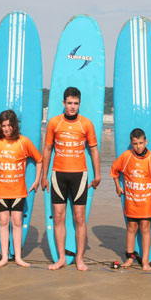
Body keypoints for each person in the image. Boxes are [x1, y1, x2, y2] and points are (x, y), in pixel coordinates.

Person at [40, 87, 101, 271]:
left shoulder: (86, 124)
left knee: (80, 218)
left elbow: (94, 150)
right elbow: (48, 149)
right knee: (58, 217)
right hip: (58, 175)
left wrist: (98, 175)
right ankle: (61, 259)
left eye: (75, 103)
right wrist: (44, 175)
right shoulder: (54, 123)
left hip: (79, 175)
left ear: (79, 104)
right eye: (69, 103)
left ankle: (80, 259)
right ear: (63, 103)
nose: (72, 106)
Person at [0, 110, 42, 268]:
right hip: (1, 191)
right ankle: (4, 257)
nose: (6, 129)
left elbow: (39, 159)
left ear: (15, 126)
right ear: (0, 126)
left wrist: (36, 180)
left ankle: (18, 257)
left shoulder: (23, 141)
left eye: (9, 125)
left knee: (17, 222)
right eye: (4, 125)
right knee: (3, 221)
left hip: (18, 191)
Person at [110, 128, 151, 271]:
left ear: (146, 142)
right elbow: (114, 170)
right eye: (135, 144)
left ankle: (145, 260)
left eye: (141, 143)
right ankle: (129, 258)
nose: (139, 146)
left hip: (146, 201)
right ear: (131, 143)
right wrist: (118, 187)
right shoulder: (126, 156)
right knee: (131, 228)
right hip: (131, 200)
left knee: (145, 228)